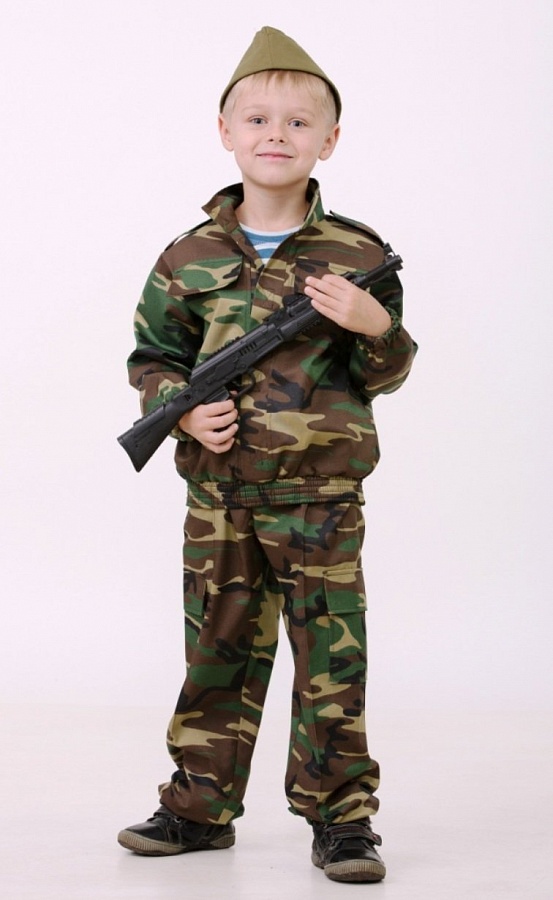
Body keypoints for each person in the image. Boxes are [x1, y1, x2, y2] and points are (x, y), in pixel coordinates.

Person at [117, 26, 417, 884]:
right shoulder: (187, 257)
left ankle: (342, 821)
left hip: (320, 498)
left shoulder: (359, 256)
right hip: (219, 497)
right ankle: (197, 808)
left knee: (331, 662)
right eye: (256, 118)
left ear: (329, 140)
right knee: (217, 653)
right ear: (225, 132)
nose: (275, 134)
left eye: (297, 121)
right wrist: (178, 415)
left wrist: (376, 326)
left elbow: (386, 374)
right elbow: (152, 358)